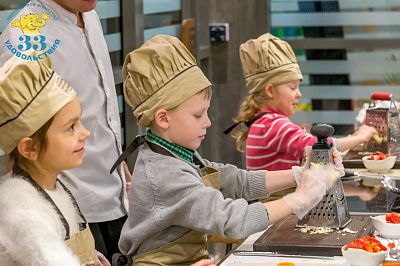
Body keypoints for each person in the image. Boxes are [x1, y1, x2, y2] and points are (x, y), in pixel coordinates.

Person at [110, 35, 343, 265]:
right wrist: (298, 199)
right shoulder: (165, 174)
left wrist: (297, 175)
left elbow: (234, 181)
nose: (208, 122)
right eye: (198, 115)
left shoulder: (171, 151)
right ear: (163, 118)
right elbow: (231, 219)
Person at [0, 0, 129, 260]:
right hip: (75, 211)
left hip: (117, 195)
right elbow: (23, 135)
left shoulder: (90, 16)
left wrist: (121, 163)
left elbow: (99, 105)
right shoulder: (25, 35)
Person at [0, 57, 110, 266]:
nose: (85, 133)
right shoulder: (21, 209)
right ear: (30, 148)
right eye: (71, 127)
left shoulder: (53, 185)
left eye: (80, 122)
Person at [227, 33, 377, 171]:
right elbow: (318, 147)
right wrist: (361, 138)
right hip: (279, 199)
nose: (299, 94)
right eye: (292, 87)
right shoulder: (272, 124)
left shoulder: (264, 121)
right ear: (270, 91)